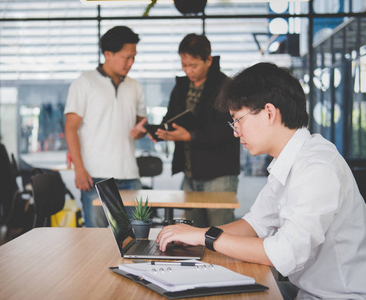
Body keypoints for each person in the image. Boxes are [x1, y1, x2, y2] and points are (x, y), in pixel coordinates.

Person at [156, 62, 366, 299]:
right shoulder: (289, 158)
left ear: (269, 112)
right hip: (306, 290)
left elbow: (284, 254)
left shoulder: (316, 167)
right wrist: (195, 236)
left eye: (238, 120)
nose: (236, 132)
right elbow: (254, 225)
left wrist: (204, 237)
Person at [151, 33, 240, 227]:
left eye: (193, 65)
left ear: (208, 60)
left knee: (220, 230)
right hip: (190, 172)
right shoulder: (182, 86)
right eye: (184, 65)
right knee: (192, 231)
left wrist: (189, 135)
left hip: (219, 173)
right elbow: (171, 117)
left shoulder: (225, 85)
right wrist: (163, 131)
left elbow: (226, 129)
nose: (188, 71)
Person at [64, 26, 147, 228]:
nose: (130, 63)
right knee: (95, 240)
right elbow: (70, 128)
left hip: (129, 175)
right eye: (126, 57)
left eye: (133, 57)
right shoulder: (84, 82)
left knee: (137, 238)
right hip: (94, 176)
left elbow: (140, 125)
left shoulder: (135, 86)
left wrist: (140, 131)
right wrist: (79, 169)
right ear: (108, 54)